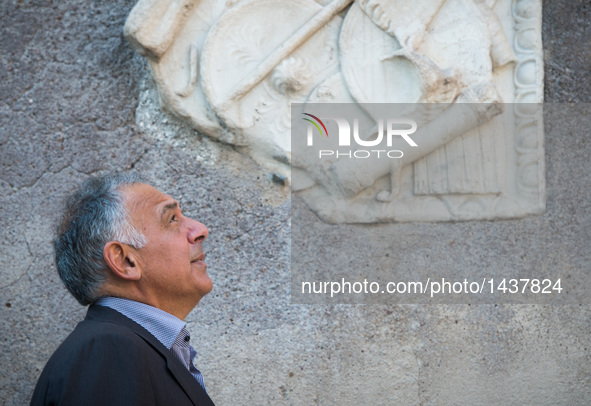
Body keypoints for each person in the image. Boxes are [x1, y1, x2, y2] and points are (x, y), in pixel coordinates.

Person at [30, 173, 216, 405]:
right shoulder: (107, 350)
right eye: (171, 219)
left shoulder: (127, 346)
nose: (200, 229)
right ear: (125, 261)